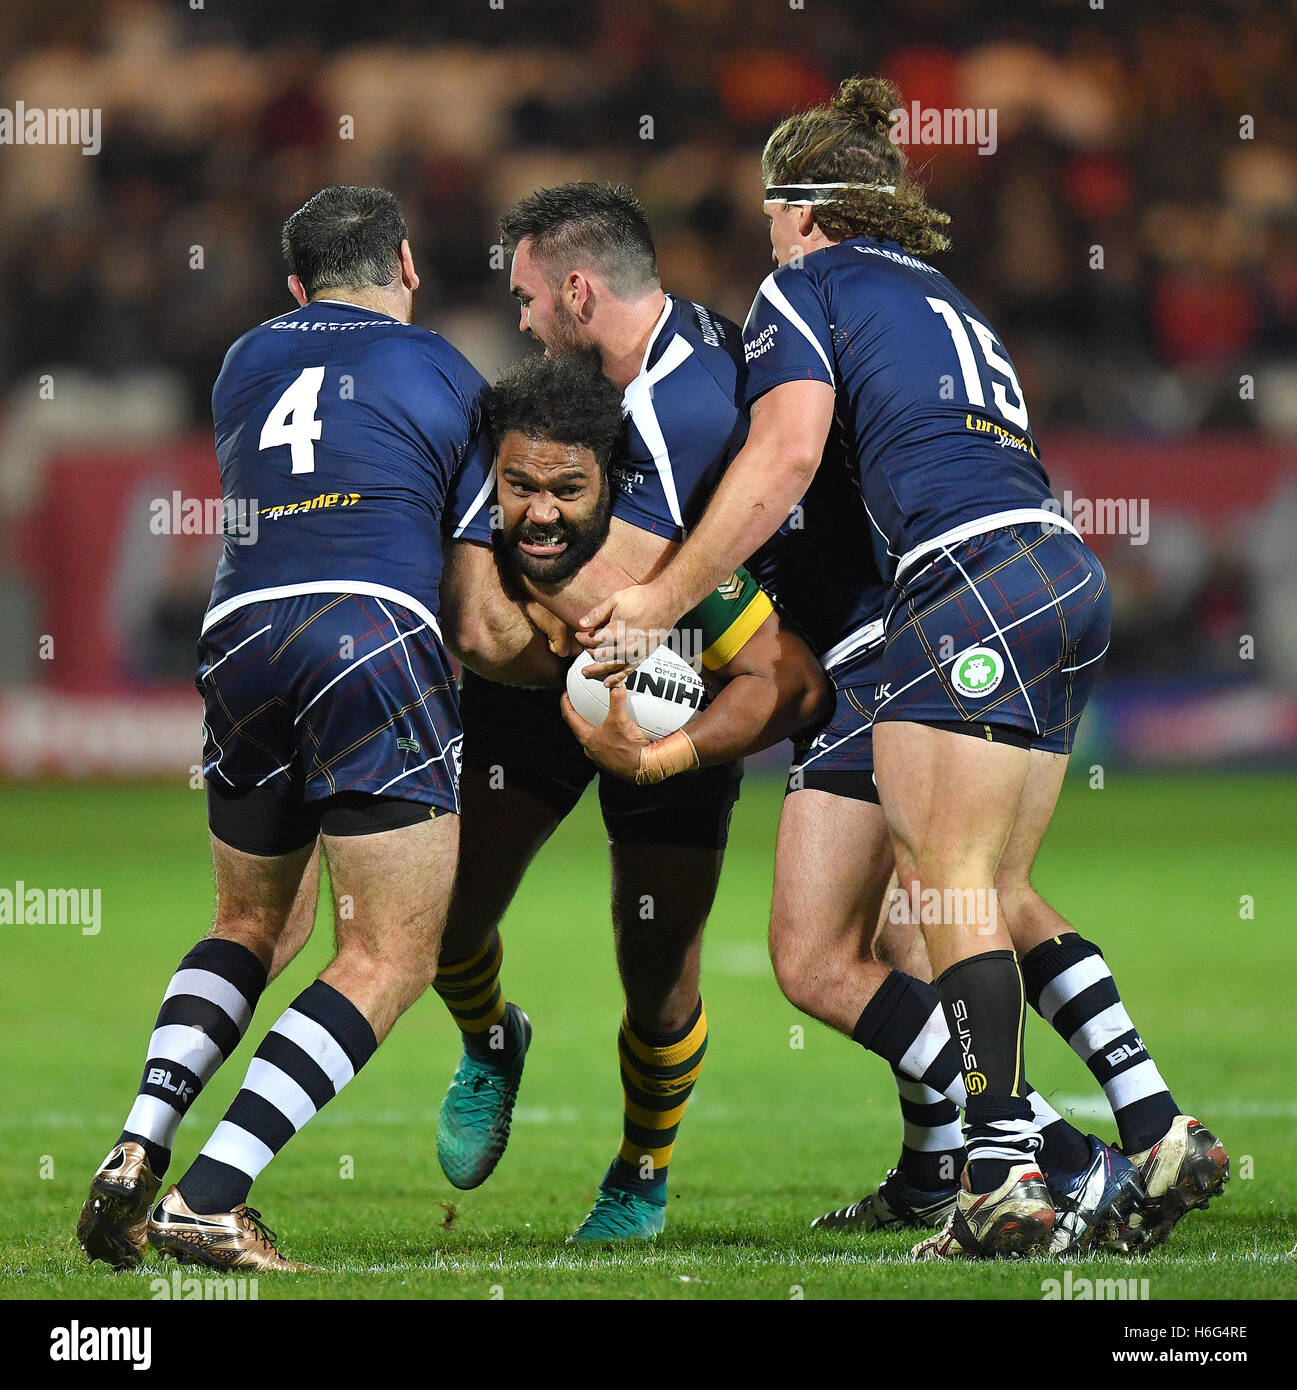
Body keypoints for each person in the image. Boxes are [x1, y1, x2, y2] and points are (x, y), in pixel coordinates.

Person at [577, 78, 1227, 1259]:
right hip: (1057, 571)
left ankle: (999, 1174)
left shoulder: (803, 287)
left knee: (946, 893)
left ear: (809, 209)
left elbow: (785, 453)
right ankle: (1146, 1119)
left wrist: (661, 599)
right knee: (988, 887)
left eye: (775, 208)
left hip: (958, 589)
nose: (764, 229)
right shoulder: (943, 298)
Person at [74, 185, 532, 1272]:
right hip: (368, 632)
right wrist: (565, 660)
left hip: (238, 637)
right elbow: (472, 614)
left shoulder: (245, 361)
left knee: (250, 924)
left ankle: (141, 1143)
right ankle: (213, 1196)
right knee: (385, 951)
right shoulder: (445, 373)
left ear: (294, 286)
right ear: (407, 266)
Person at [438, 185, 829, 1239]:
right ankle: (490, 1040)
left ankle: (640, 1172)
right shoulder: (554, 392)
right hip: (542, 685)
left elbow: (715, 623)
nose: (516, 319)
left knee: (656, 964)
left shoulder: (688, 405)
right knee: (443, 914)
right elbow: (508, 589)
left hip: (681, 681)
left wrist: (671, 695)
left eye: (525, 296)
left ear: (577, 289)